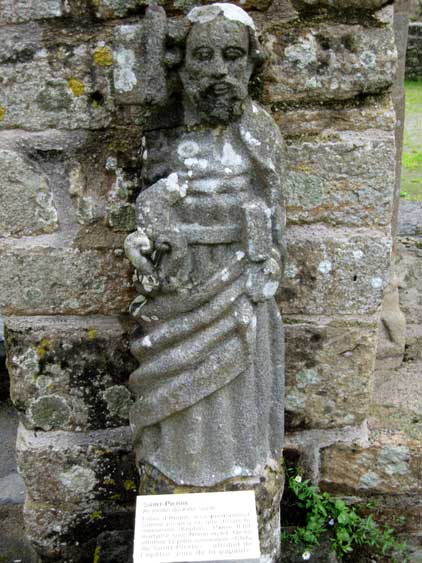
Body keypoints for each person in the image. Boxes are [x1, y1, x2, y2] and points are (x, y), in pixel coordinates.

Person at [124, 2, 287, 488]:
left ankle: (241, 474)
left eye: (232, 56)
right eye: (204, 57)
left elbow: (278, 219)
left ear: (251, 64)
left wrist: (267, 256)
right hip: (178, 284)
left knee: (237, 386)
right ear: (183, 63)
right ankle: (173, 473)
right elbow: (142, 215)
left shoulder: (259, 132)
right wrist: (142, 246)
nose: (219, 71)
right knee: (175, 389)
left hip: (240, 283)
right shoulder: (161, 134)